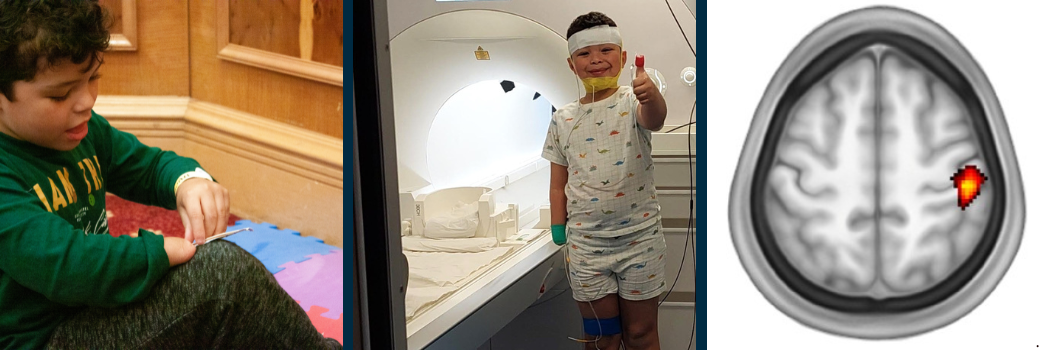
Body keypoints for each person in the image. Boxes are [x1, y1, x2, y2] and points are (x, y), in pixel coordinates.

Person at [0, 1, 340, 348]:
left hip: (95, 304)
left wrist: (188, 181)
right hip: (47, 338)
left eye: (93, 78)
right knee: (223, 278)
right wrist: (161, 252)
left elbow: (148, 167)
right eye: (60, 95)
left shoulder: (79, 131)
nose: (86, 101)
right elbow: (69, 264)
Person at [541, 11, 669, 350]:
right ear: (572, 65)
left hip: (640, 242)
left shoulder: (633, 100)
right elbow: (557, 184)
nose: (596, 59)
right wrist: (557, 226)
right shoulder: (562, 119)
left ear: (623, 58)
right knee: (602, 337)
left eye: (605, 50)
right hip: (587, 248)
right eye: (584, 53)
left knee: (640, 334)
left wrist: (651, 95)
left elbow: (654, 119)